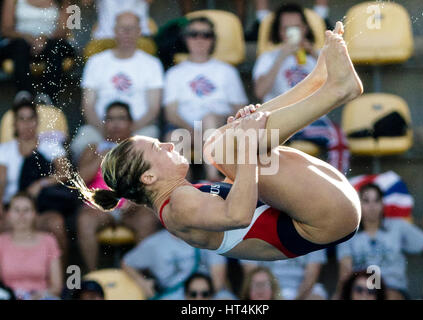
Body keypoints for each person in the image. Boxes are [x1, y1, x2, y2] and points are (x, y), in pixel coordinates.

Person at [73, 22, 363, 262]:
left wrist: (243, 133)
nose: (170, 145)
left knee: (226, 143)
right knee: (223, 147)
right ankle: (334, 91)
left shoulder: (180, 200)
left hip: (327, 215)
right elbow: (238, 215)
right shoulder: (178, 207)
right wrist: (246, 146)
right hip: (325, 219)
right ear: (148, 176)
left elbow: (246, 196)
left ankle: (316, 82)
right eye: (158, 148)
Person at [253, 2, 349, 174]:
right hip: (278, 118)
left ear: (305, 29)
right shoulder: (268, 58)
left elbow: (343, 80)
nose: (292, 32)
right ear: (280, 32)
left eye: (297, 27)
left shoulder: (318, 55)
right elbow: (260, 91)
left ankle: (337, 188)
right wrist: (282, 56)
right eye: (287, 28)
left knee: (338, 138)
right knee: (258, 145)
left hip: (312, 118)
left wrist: (314, 53)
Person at [76, 101, 160, 272]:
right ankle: (93, 278)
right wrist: (101, 158)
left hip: (134, 208)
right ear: (104, 124)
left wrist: (137, 200)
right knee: (84, 220)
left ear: (131, 123)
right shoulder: (93, 148)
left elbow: (154, 182)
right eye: (110, 119)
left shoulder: (143, 150)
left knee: (148, 219)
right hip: (99, 207)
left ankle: (141, 277)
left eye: (121, 118)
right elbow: (80, 180)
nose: (115, 124)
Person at [71, 11, 164, 162]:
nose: (127, 33)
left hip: (139, 128)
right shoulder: (96, 62)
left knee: (152, 145)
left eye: (131, 28)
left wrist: (128, 130)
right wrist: (106, 131)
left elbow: (154, 108)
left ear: (139, 31)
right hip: (100, 128)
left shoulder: (152, 64)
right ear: (114, 31)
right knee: (80, 144)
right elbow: (87, 105)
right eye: (122, 28)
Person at [163, 16, 248, 181]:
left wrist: (220, 125)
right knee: (176, 138)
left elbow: (240, 106)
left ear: (213, 40)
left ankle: (213, 177)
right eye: (194, 34)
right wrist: (195, 131)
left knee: (209, 119)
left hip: (220, 128)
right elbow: (171, 113)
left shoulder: (227, 71)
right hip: (186, 128)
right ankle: (184, 190)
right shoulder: (174, 73)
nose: (200, 39)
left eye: (206, 34)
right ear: (185, 38)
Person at [334, 183, 423, 300]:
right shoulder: (349, 233)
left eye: (376, 201)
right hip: (362, 290)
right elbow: (345, 271)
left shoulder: (398, 226)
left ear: (383, 204)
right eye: (366, 201)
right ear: (358, 204)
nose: (372, 206)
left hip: (393, 290)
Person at [0, 99, 71, 259]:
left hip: (41, 208)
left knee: (57, 224)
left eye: (31, 118)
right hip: (12, 209)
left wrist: (41, 183)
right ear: (15, 124)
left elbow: (66, 172)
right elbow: (1, 182)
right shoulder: (4, 150)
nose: (27, 123)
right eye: (22, 119)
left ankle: (63, 278)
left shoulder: (51, 146)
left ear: (37, 121)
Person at [121, 228, 231, 300]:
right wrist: (143, 282)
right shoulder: (154, 243)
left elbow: (218, 281)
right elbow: (126, 263)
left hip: (206, 293)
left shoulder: (207, 236)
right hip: (171, 295)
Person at [0, 0, 76, 102]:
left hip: (51, 42)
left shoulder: (62, 1)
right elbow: (6, 29)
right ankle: (24, 95)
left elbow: (63, 30)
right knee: (20, 46)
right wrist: (28, 38)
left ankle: (47, 97)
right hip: (20, 43)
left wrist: (45, 39)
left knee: (55, 47)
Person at [0, 193, 63, 300]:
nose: (21, 215)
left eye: (26, 210)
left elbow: (56, 286)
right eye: (16, 210)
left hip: (41, 297)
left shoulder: (48, 241)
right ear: (8, 214)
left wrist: (38, 296)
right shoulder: (1, 242)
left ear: (35, 214)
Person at [241, 249, 328, 300]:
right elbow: (252, 274)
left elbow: (311, 278)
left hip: (301, 289)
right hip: (269, 287)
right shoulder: (255, 229)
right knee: (258, 288)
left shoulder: (312, 230)